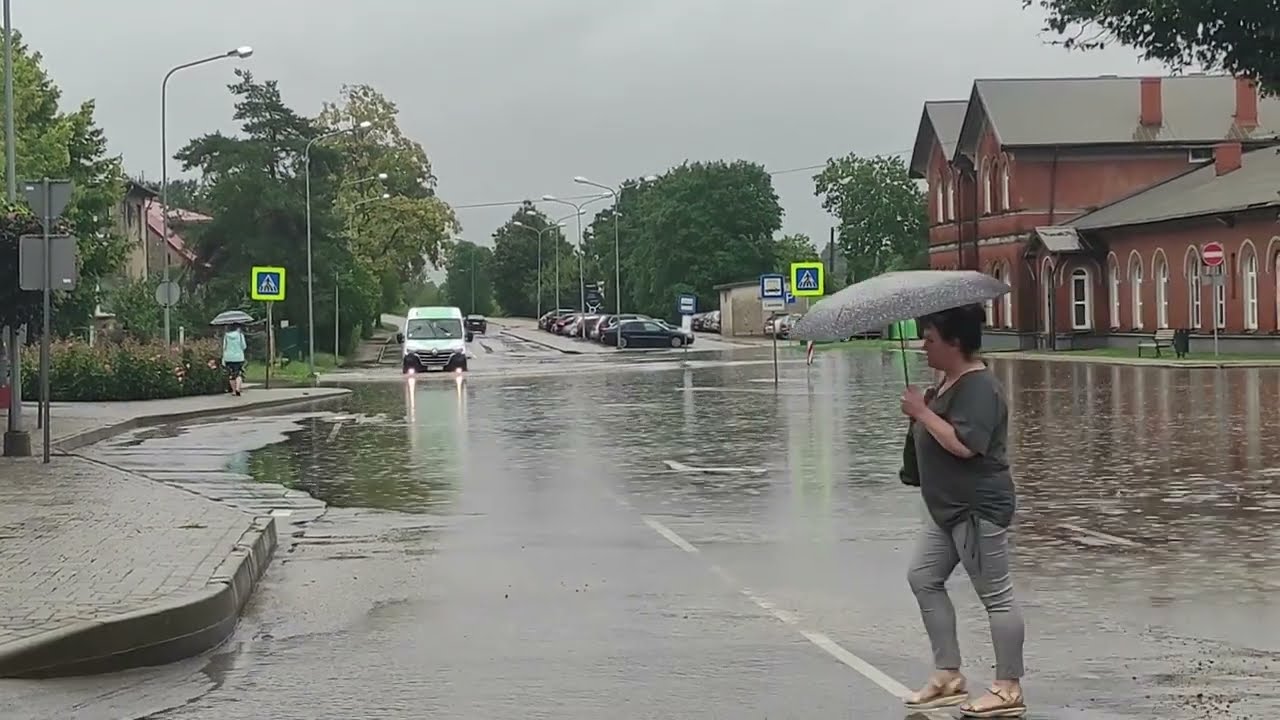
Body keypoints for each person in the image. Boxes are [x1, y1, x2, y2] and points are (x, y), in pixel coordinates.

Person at [899, 303, 1026, 718]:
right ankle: (947, 675)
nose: (924, 346)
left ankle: (1008, 687)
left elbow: (966, 445)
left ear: (954, 342)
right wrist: (923, 411)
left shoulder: (979, 386)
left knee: (996, 596)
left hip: (975, 508)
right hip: (946, 508)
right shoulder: (948, 383)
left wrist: (921, 413)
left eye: (930, 339)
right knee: (923, 577)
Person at [221, 323, 247, 397]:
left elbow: (224, 347)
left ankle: (233, 391)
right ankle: (238, 388)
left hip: (228, 357)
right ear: (237, 328)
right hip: (238, 357)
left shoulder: (226, 336)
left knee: (231, 374)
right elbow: (244, 346)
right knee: (238, 374)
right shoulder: (240, 335)